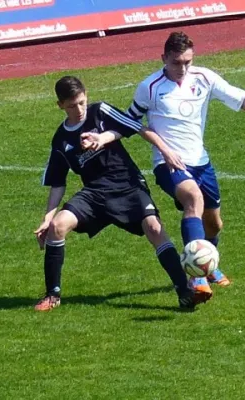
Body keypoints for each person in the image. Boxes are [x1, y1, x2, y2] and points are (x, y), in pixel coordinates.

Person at [124, 31, 245, 299]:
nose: (182, 68)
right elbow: (129, 122)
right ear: (164, 58)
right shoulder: (149, 87)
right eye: (176, 63)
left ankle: (207, 265)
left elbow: (243, 103)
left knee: (214, 225)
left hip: (201, 162)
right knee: (193, 200)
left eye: (187, 62)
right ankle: (195, 278)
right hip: (168, 164)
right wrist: (159, 147)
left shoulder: (204, 78)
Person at [34, 75, 205, 312]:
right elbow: (57, 183)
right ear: (60, 105)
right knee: (58, 226)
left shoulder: (100, 112)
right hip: (94, 193)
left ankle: (184, 291)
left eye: (82, 102)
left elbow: (138, 127)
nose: (79, 109)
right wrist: (46, 218)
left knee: (155, 229)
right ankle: (53, 295)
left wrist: (166, 152)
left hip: (128, 185)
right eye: (72, 105)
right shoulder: (61, 140)